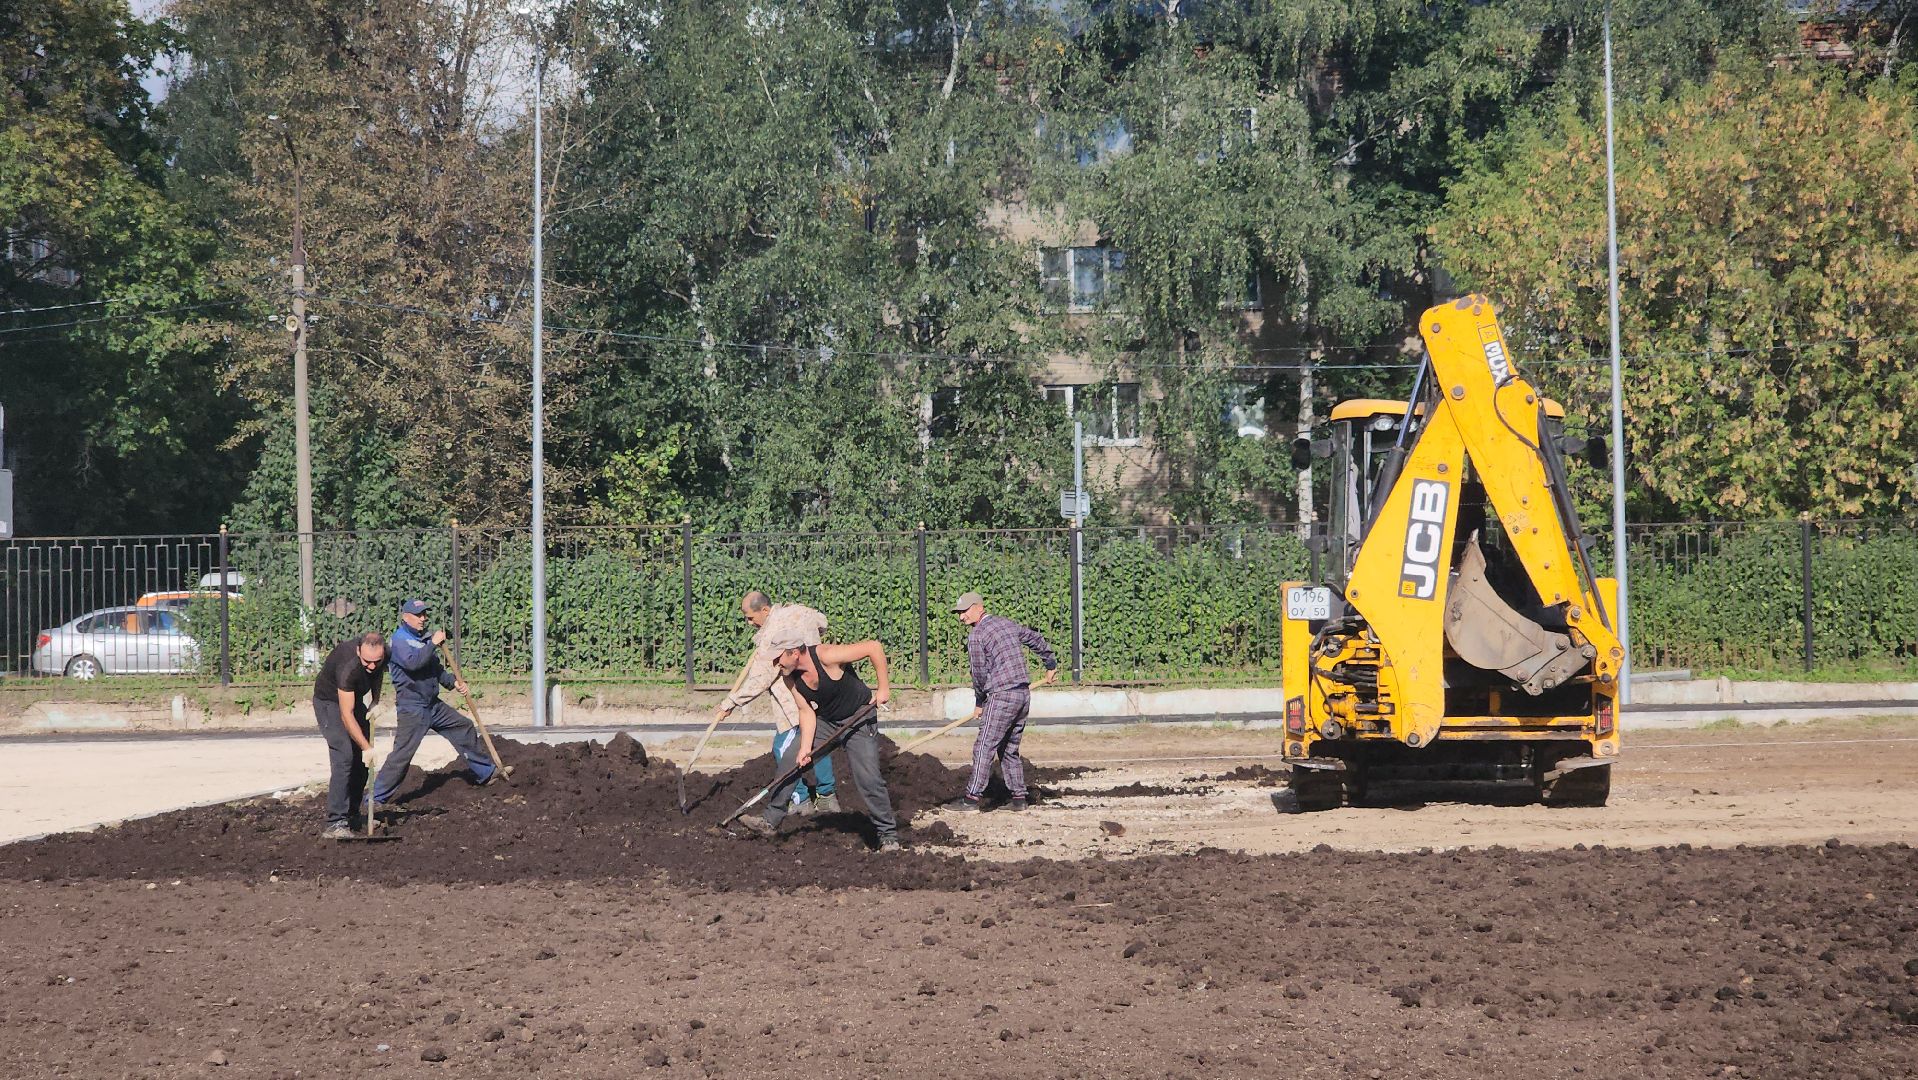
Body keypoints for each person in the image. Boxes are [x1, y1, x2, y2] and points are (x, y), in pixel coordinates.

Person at [737, 632, 900, 851]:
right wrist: (805, 748)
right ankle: (770, 820)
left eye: (778, 658)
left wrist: (883, 688)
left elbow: (874, 647)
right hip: (826, 720)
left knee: (868, 778)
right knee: (791, 760)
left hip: (859, 717)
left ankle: (887, 834)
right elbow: (806, 711)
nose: (776, 664)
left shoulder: (826, 656)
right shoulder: (790, 676)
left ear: (794, 653)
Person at [714, 591, 838, 815]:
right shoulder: (798, 611)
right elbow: (822, 622)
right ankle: (827, 797)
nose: (748, 622)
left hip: (794, 699)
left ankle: (800, 800)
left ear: (764, 610)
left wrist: (730, 702)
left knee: (783, 746)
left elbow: (761, 679)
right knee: (818, 743)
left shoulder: (772, 636)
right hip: (818, 691)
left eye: (750, 617)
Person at [370, 599, 500, 807]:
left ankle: (486, 772)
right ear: (405, 617)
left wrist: (454, 682)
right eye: (418, 615)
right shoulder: (399, 640)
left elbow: (435, 669)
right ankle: (375, 798)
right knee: (402, 754)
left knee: (463, 726)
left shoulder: (423, 639)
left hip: (433, 704)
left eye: (424, 615)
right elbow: (414, 663)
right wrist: (433, 644)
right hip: (412, 707)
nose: (423, 619)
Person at [953, 591, 1058, 812]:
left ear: (978, 607)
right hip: (1022, 694)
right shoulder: (1006, 624)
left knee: (984, 746)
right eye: (959, 613)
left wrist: (980, 701)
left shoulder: (976, 635)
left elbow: (979, 674)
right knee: (1009, 748)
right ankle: (1019, 799)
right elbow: (1035, 639)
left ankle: (971, 799)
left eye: (964, 611)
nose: (961, 617)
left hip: (1002, 695)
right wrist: (1050, 664)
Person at [312, 631, 387, 839]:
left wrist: (375, 700)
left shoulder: (382, 654)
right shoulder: (347, 665)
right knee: (345, 755)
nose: (372, 666)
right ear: (358, 651)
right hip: (330, 704)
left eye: (376, 661)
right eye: (367, 661)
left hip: (354, 700)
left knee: (362, 763)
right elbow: (346, 715)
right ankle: (335, 822)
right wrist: (367, 747)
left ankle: (353, 815)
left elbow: (378, 674)